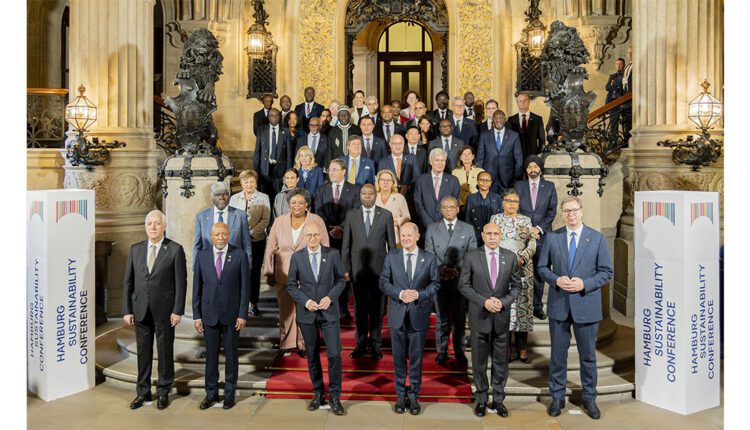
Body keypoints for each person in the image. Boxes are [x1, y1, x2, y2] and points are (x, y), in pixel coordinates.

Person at [537, 196, 614, 420]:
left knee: (588, 356)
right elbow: (542, 268)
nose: (571, 214)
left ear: (582, 211)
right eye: (567, 211)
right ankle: (557, 397)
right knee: (558, 356)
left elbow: (606, 272)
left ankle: (590, 398)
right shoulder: (553, 237)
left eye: (574, 210)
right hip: (559, 305)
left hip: (586, 304)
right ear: (562, 214)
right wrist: (555, 280)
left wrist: (584, 284)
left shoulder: (597, 239)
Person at [123, 210, 187, 410]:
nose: (153, 227)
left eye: (157, 223)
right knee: (143, 353)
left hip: (165, 311)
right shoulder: (135, 250)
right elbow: (128, 282)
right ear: (145, 226)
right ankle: (142, 392)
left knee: (165, 352)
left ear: (164, 226)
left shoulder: (175, 250)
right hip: (140, 309)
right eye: (149, 223)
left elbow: (181, 283)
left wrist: (177, 310)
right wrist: (127, 309)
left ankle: (163, 391)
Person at [459, 222, 521, 418]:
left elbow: (517, 287)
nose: (492, 237)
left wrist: (502, 302)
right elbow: (464, 286)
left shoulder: (510, 257)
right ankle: (482, 399)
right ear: (483, 236)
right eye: (489, 233)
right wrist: (484, 301)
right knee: (478, 362)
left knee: (501, 362)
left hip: (501, 318)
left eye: (496, 233)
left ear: (500, 236)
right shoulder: (471, 256)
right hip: (480, 317)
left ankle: (499, 400)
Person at [379, 222, 440, 415]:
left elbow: (435, 284)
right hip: (397, 315)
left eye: (408, 235)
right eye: (402, 235)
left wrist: (419, 295)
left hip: (418, 315)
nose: (405, 238)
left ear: (417, 236)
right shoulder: (392, 256)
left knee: (415, 359)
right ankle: (399, 395)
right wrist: (399, 293)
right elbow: (383, 282)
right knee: (398, 359)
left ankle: (413, 396)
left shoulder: (429, 258)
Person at [286, 222, 347, 415]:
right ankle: (318, 393)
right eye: (309, 235)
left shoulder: (332, 254)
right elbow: (291, 286)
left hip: (329, 312)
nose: (312, 238)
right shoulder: (297, 257)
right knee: (312, 355)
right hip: (308, 314)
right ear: (304, 236)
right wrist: (305, 301)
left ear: (321, 236)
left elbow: (341, 280)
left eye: (315, 235)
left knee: (334, 354)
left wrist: (330, 297)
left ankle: (335, 396)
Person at [264, 189, 330, 356]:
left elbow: (325, 247)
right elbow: (270, 247)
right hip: (283, 272)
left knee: (306, 310)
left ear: (307, 204)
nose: (297, 206)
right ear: (289, 204)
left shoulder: (316, 220)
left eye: (301, 202)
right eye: (293, 202)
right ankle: (286, 343)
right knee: (286, 310)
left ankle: (305, 344)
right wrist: (269, 271)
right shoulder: (279, 221)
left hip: (309, 272)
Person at [193, 222, 250, 410]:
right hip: (208, 314)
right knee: (210, 357)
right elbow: (197, 288)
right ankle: (211, 393)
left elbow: (244, 289)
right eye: (216, 234)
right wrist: (196, 315)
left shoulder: (240, 255)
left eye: (223, 234)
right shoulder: (201, 256)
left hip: (232, 315)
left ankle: (229, 394)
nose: (220, 237)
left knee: (231, 356)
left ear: (228, 235)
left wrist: (242, 314)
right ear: (210, 235)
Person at [342, 184, 397, 360]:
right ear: (360, 196)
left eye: (370, 193)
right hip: (357, 271)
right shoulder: (351, 215)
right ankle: (360, 343)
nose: (367, 196)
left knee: (377, 309)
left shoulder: (386, 215)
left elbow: (392, 246)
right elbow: (346, 246)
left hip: (379, 271)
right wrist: (346, 269)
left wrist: (392, 271)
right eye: (364, 193)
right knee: (359, 309)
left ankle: (375, 344)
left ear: (376, 195)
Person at [425, 196, 476, 367]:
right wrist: (442, 270)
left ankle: (460, 351)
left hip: (460, 280)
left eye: (451, 207)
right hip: (439, 279)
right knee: (442, 318)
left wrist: (456, 269)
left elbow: (472, 253)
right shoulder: (432, 228)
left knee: (459, 318)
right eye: (445, 207)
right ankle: (442, 352)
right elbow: (429, 253)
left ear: (457, 209)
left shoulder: (468, 229)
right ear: (440, 209)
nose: (448, 210)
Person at [490, 189, 536, 363]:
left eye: (515, 202)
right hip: (501, 268)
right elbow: (491, 240)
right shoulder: (495, 219)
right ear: (503, 202)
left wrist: (522, 257)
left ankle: (522, 349)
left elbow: (532, 242)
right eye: (508, 201)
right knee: (505, 307)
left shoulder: (526, 220)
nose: (511, 204)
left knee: (522, 309)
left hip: (523, 268)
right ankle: (506, 348)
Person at [314, 159, 361, 318]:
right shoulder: (321, 189)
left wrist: (342, 228)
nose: (331, 172)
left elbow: (355, 212)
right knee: (327, 273)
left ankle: (342, 308)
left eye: (335, 169)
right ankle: (327, 306)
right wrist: (328, 230)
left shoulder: (354, 189)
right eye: (330, 170)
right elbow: (318, 211)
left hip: (346, 237)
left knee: (343, 273)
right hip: (326, 237)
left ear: (344, 171)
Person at [515, 155, 557, 320]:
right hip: (523, 237)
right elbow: (515, 208)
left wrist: (539, 228)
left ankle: (537, 307)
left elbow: (552, 211)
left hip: (542, 237)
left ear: (540, 168)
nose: (533, 169)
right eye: (529, 166)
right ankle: (521, 304)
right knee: (521, 273)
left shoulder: (549, 186)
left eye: (535, 166)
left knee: (540, 273)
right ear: (526, 170)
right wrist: (527, 229)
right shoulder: (519, 185)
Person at [229, 170, 270, 317]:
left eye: (252, 181)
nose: (249, 184)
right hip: (238, 242)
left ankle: (253, 303)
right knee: (238, 272)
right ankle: (240, 303)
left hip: (256, 241)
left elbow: (265, 220)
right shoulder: (234, 198)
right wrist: (240, 236)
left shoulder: (263, 198)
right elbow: (231, 219)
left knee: (254, 273)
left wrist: (250, 234)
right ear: (241, 183)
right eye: (246, 182)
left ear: (256, 183)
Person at [193, 182, 252, 268]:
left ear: (229, 195)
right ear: (212, 196)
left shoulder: (240, 216)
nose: (221, 198)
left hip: (235, 266)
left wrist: (247, 267)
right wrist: (196, 268)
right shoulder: (201, 217)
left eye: (225, 194)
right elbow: (197, 246)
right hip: (209, 267)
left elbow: (247, 245)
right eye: (217, 195)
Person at [413, 148, 460, 233]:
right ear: (430, 162)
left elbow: (455, 204)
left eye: (443, 160)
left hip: (446, 228)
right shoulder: (420, 180)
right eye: (437, 160)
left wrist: (442, 223)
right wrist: (429, 224)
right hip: (425, 228)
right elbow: (418, 204)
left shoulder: (453, 180)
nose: (440, 163)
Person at [476, 110, 524, 193]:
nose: (498, 120)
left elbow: (518, 158)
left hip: (508, 179)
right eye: (496, 117)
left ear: (505, 119)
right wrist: (481, 176)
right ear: (493, 120)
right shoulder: (484, 135)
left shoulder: (514, 135)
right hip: (488, 180)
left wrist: (516, 177)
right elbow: (480, 158)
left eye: (501, 117)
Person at [253, 108, 292, 200]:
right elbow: (257, 151)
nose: (274, 117)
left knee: (279, 196)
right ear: (268, 117)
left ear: (279, 117)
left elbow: (289, 153)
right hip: (265, 169)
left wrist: (288, 170)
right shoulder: (261, 130)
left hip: (280, 170)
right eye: (272, 115)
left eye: (276, 115)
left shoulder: (286, 131)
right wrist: (256, 170)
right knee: (265, 196)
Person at [465, 171, 503, 246]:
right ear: (477, 181)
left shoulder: (497, 197)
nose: (484, 182)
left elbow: (501, 217)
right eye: (482, 180)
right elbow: (468, 219)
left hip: (493, 236)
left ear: (491, 182)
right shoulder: (471, 198)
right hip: (476, 236)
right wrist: (478, 234)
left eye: (487, 180)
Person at [374, 169, 411, 246]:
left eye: (389, 180)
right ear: (378, 182)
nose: (385, 182)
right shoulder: (373, 197)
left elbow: (407, 216)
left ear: (393, 183)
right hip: (375, 236)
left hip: (395, 236)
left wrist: (396, 221)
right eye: (383, 179)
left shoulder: (399, 197)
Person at [506, 93, 546, 159]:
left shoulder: (537, 119)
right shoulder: (511, 119)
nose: (523, 103)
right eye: (520, 101)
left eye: (525, 100)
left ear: (529, 102)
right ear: (517, 103)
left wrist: (539, 153)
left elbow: (542, 139)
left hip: (533, 156)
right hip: (515, 156)